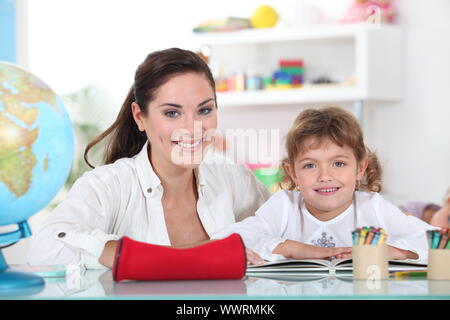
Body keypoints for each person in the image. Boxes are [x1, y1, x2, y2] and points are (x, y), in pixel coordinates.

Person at [27, 48, 271, 269]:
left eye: (204, 110)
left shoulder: (234, 179)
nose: (192, 128)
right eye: (172, 113)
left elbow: (288, 227)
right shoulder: (109, 185)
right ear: (139, 117)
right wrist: (194, 256)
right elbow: (45, 248)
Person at [212, 106, 435, 263]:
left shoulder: (372, 207)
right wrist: (291, 248)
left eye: (338, 163)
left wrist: (397, 252)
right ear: (293, 173)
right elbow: (230, 238)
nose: (325, 176)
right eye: (310, 166)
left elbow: (436, 240)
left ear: (359, 168)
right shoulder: (284, 206)